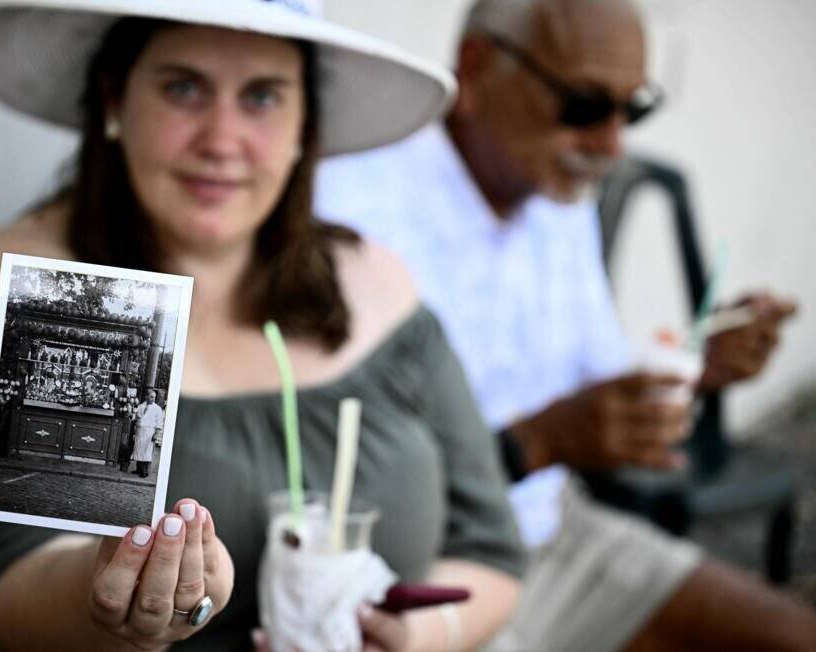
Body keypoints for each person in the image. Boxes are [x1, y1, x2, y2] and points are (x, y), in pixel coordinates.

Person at [0, 0, 525, 649]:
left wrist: (415, 637)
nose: (222, 140)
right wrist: (128, 606)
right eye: (182, 88)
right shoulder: (62, 289)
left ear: (302, 125)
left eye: (261, 97)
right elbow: (2, 583)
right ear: (115, 98)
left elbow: (489, 548)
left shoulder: (370, 279)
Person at [315, 0, 814, 650]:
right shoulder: (351, 204)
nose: (612, 144)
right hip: (415, 570)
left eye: (632, 109)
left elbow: (598, 381)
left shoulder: (554, 192)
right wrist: (542, 442)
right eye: (582, 104)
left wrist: (701, 363)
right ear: (475, 69)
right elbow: (340, 478)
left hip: (554, 534)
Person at [132, 389, 164, 477]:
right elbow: (137, 417)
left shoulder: (157, 409)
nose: (153, 399)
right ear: (146, 397)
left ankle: (145, 471)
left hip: (149, 431)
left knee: (147, 451)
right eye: (151, 397)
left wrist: (156, 433)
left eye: (154, 397)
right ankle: (138, 469)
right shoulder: (141, 406)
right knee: (139, 450)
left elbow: (159, 422)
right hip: (140, 430)